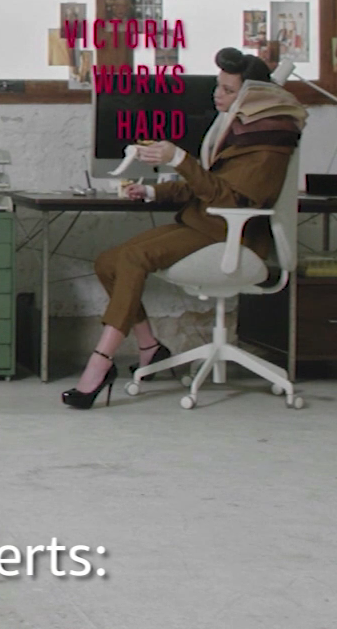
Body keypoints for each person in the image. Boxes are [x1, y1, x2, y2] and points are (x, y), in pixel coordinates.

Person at [64, 47, 306, 409]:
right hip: (205, 225)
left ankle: (100, 363)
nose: (216, 95)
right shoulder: (237, 128)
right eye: (217, 86)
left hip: (232, 236)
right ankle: (150, 347)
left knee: (132, 258)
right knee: (107, 261)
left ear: (253, 97)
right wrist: (153, 191)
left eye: (227, 90)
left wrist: (179, 159)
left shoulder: (268, 144)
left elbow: (228, 198)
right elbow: (206, 185)